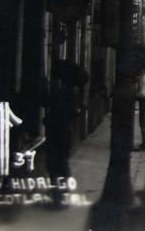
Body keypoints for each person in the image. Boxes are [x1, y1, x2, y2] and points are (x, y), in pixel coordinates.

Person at [44, 60, 89, 206]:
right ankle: (60, 194)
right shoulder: (72, 93)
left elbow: (48, 104)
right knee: (61, 162)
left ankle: (58, 196)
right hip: (65, 132)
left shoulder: (62, 92)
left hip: (56, 130)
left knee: (55, 163)